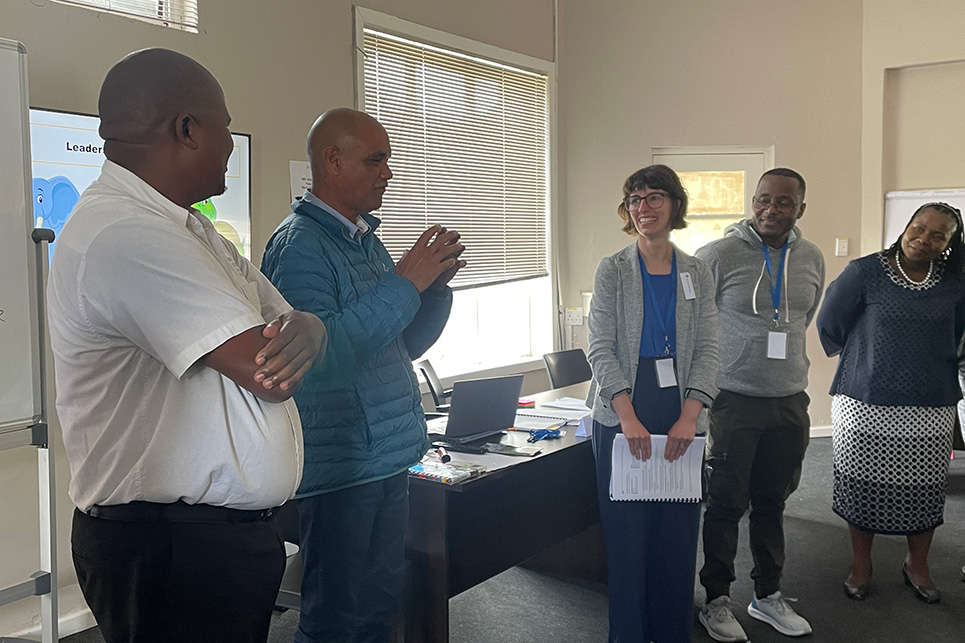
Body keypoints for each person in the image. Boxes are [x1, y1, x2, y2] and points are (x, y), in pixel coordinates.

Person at [46, 49, 328, 643]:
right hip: (171, 546)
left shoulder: (190, 227)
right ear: (187, 129)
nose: (231, 144)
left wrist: (314, 328)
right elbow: (271, 368)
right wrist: (303, 332)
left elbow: (295, 322)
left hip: (204, 540)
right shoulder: (127, 234)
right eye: (225, 126)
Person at [260, 108, 465, 643]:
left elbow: (400, 344)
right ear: (332, 160)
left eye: (388, 159)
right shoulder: (300, 245)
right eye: (376, 160)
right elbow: (317, 359)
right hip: (341, 464)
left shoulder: (362, 240)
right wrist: (404, 283)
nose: (388, 173)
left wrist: (432, 288)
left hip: (385, 455)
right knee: (335, 618)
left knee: (378, 609)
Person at [586, 164, 719, 643]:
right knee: (627, 544)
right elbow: (599, 346)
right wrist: (626, 416)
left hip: (680, 410)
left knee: (676, 540)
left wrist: (691, 414)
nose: (644, 208)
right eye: (635, 199)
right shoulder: (613, 269)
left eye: (654, 197)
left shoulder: (698, 271)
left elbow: (708, 347)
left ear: (674, 205)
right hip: (623, 411)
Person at [696, 168, 824, 641]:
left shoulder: (810, 257)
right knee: (726, 504)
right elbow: (695, 324)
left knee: (773, 503)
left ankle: (767, 595)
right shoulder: (718, 255)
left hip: (790, 399)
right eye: (764, 200)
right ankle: (716, 600)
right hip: (734, 399)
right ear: (753, 202)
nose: (772, 210)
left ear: (800, 209)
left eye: (784, 203)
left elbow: (804, 317)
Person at [817, 202, 965, 604]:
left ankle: (917, 565)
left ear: (950, 242)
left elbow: (958, 335)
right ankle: (861, 563)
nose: (924, 239)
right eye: (918, 228)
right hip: (865, 399)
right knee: (861, 485)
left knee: (925, 488)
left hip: (930, 403)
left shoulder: (956, 281)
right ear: (905, 227)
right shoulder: (865, 272)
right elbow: (830, 320)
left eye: (938, 235)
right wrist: (864, 354)